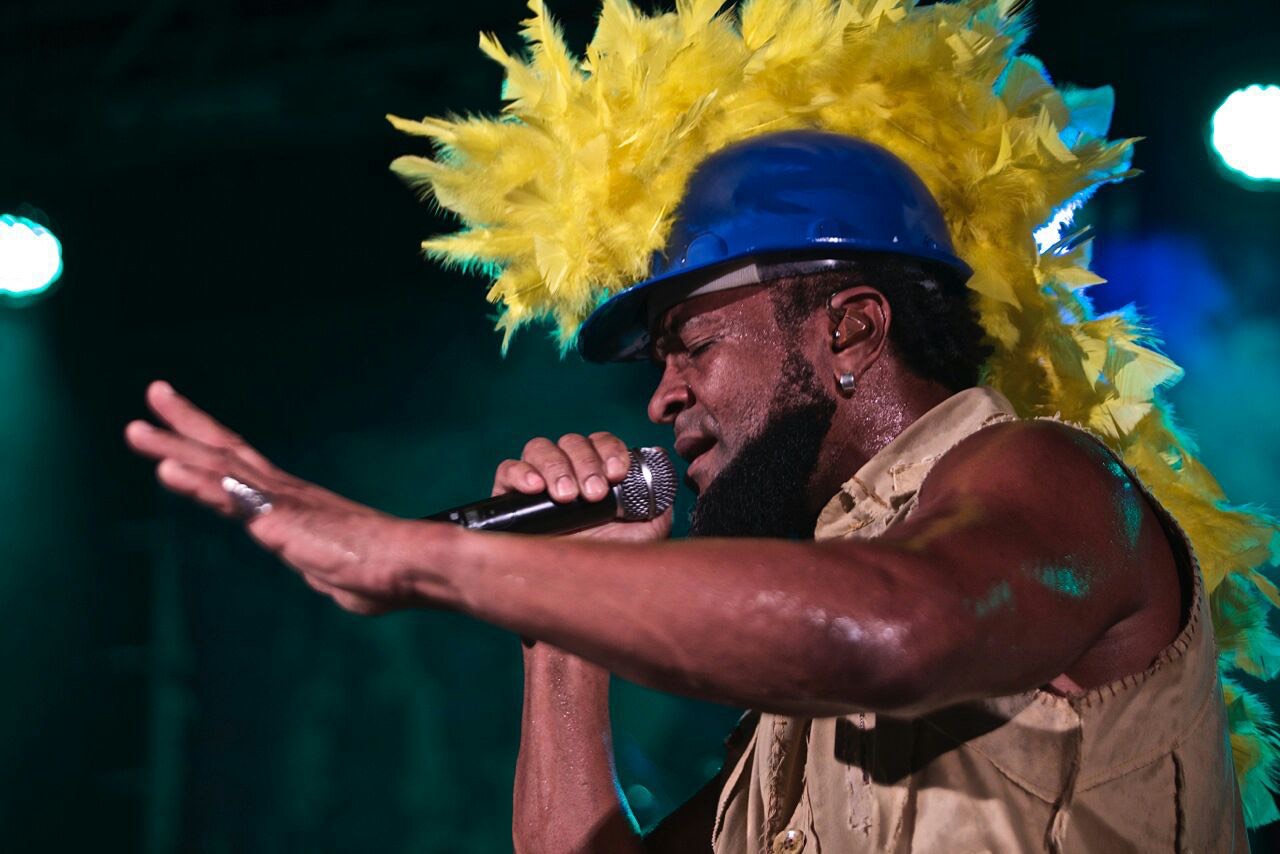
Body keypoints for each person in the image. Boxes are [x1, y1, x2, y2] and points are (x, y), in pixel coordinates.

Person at [126, 1, 1279, 851]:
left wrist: (429, 557)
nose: (660, 396)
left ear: (849, 328)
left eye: (690, 343)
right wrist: (563, 622)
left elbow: (892, 632)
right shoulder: (797, 689)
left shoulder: (1049, 477)